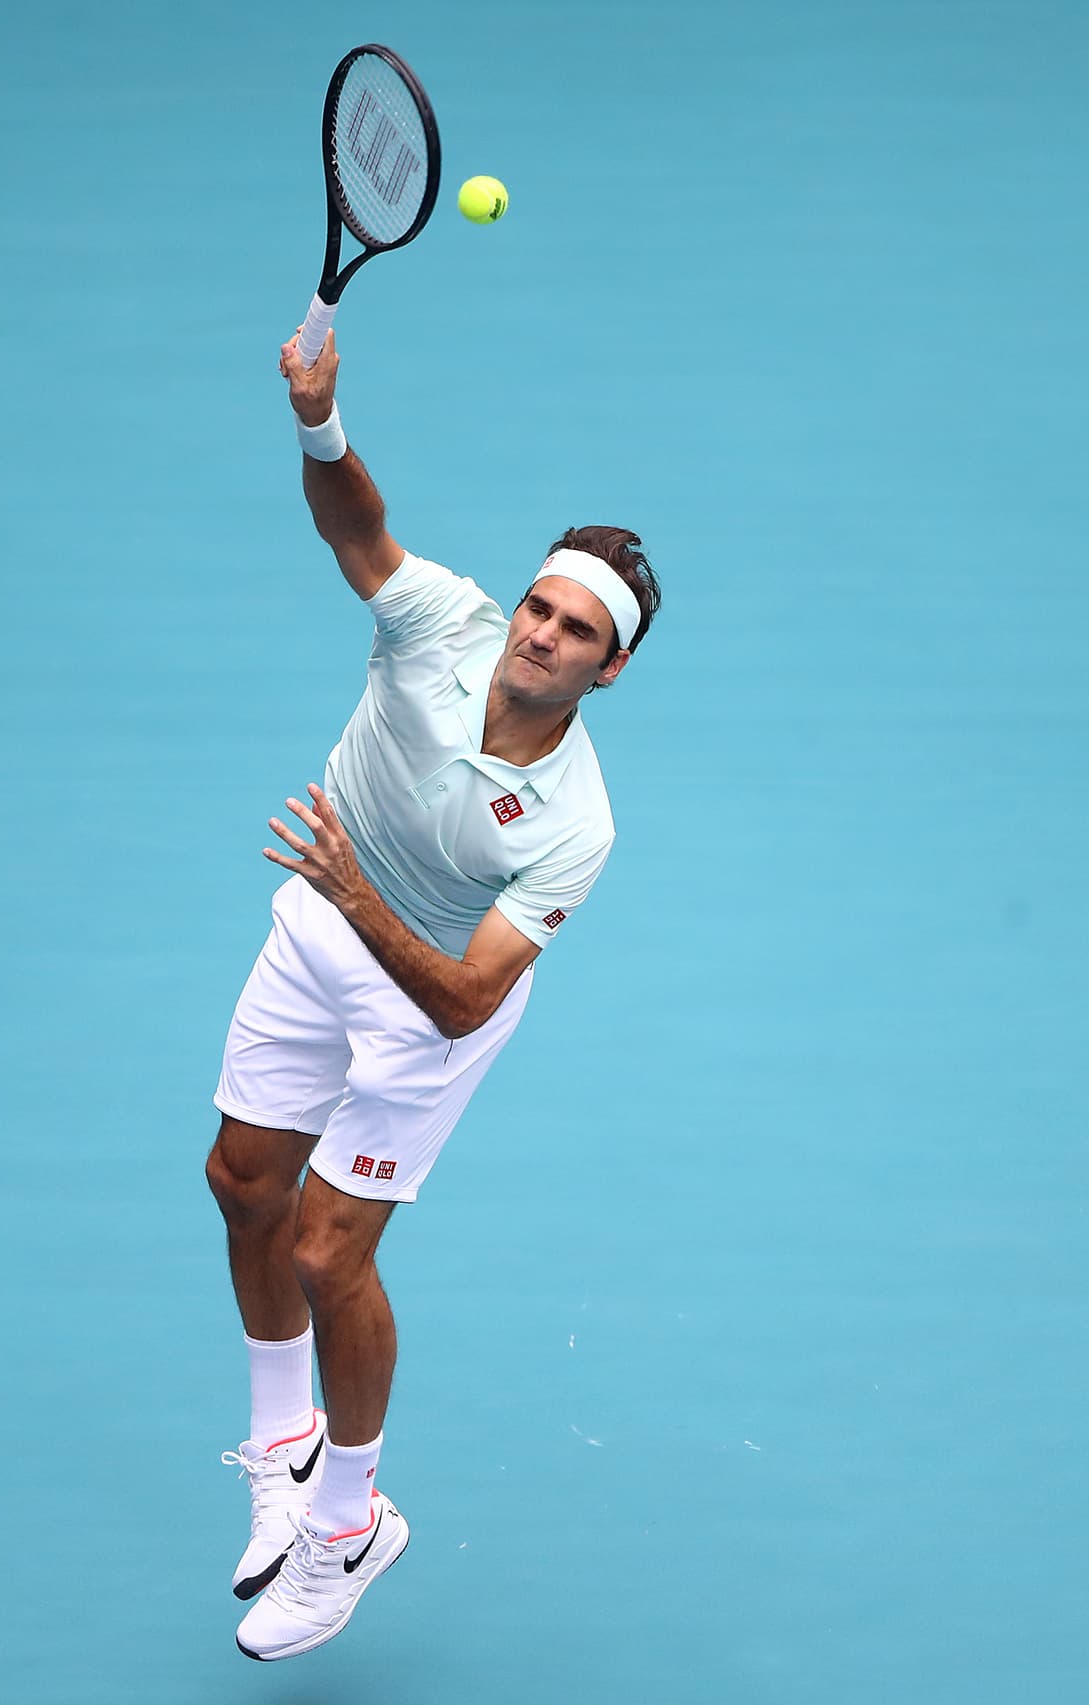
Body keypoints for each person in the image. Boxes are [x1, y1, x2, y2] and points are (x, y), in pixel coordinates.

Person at [207, 326, 661, 1663]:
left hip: (428, 1000)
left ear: (608, 669)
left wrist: (358, 892)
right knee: (242, 1185)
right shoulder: (442, 621)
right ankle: (285, 1444)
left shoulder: (577, 823)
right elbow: (360, 530)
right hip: (322, 917)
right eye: (540, 604)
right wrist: (318, 419)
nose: (542, 631)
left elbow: (465, 1000)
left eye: (577, 629)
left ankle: (349, 1521)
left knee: (324, 1252)